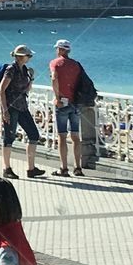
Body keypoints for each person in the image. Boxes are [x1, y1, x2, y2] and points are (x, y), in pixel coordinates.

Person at [0, 45, 44, 179]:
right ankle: (6, 168)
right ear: (20, 56)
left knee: (34, 134)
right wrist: (4, 110)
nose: (30, 58)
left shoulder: (24, 69)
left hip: (22, 106)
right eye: (28, 56)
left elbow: (26, 90)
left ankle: (31, 168)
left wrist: (32, 78)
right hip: (11, 107)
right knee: (9, 137)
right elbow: (1, 90)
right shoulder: (11, 69)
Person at [50, 39, 84, 177]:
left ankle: (64, 168)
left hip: (62, 103)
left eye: (57, 48)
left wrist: (57, 98)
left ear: (61, 49)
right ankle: (78, 167)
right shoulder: (76, 65)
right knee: (75, 136)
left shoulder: (55, 63)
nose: (56, 51)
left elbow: (54, 78)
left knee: (62, 136)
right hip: (75, 102)